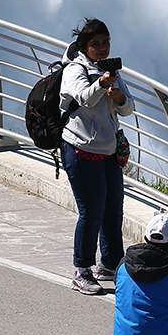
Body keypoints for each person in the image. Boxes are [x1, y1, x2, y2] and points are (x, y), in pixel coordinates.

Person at [59, 17, 135, 296]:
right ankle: (82, 269)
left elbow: (128, 109)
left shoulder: (111, 70)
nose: (102, 48)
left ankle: (112, 264)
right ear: (84, 46)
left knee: (113, 209)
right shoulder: (74, 70)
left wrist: (118, 97)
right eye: (95, 44)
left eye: (105, 43)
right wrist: (102, 84)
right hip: (80, 149)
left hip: (108, 150)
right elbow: (84, 97)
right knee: (91, 212)